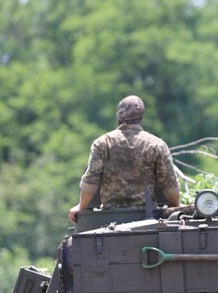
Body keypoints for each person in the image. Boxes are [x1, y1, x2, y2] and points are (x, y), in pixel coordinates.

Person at [68, 95, 180, 223]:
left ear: (119, 116)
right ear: (141, 117)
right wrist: (176, 205)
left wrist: (81, 207)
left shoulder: (103, 143)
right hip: (147, 218)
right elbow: (169, 185)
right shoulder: (156, 145)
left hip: (109, 218)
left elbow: (90, 181)